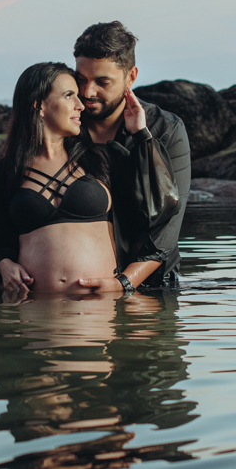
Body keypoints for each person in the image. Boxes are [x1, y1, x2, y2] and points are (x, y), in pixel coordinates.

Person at [0, 62, 148, 295]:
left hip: (101, 315)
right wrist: (4, 265)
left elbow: (154, 212)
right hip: (34, 318)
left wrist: (141, 136)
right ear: (38, 104)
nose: (80, 105)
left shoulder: (102, 161)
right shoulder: (2, 176)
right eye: (69, 96)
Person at [73, 21, 191, 292]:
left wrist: (124, 283)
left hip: (152, 287)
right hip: (82, 286)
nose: (88, 92)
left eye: (103, 82)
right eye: (81, 79)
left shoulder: (166, 130)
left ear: (131, 76)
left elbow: (168, 229)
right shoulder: (65, 126)